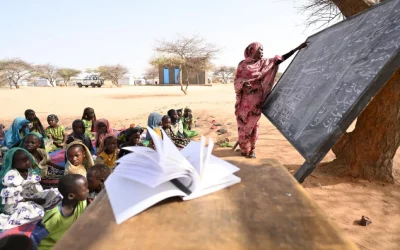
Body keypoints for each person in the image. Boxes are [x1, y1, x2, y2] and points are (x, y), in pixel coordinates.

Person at [234, 41, 308, 158]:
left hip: (257, 101)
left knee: (253, 126)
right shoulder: (242, 65)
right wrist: (243, 83)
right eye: (260, 50)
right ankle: (244, 148)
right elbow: (237, 80)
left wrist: (296, 49)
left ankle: (252, 149)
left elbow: (280, 59)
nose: (262, 53)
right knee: (243, 125)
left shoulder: (265, 63)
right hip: (244, 102)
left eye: (263, 50)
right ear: (252, 51)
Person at [0, 148, 62, 230]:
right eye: (23, 161)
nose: (28, 162)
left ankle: (42, 207)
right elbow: (14, 199)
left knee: (57, 193)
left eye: (28, 159)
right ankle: (8, 220)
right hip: (16, 203)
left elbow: (37, 189)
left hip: (32, 197)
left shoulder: (30, 171)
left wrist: (44, 195)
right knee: (36, 212)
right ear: (14, 164)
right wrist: (35, 200)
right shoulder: (11, 176)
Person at [38, 174, 88, 250]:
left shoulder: (81, 202)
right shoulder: (55, 216)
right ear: (71, 196)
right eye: (85, 189)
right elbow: (35, 237)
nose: (88, 190)